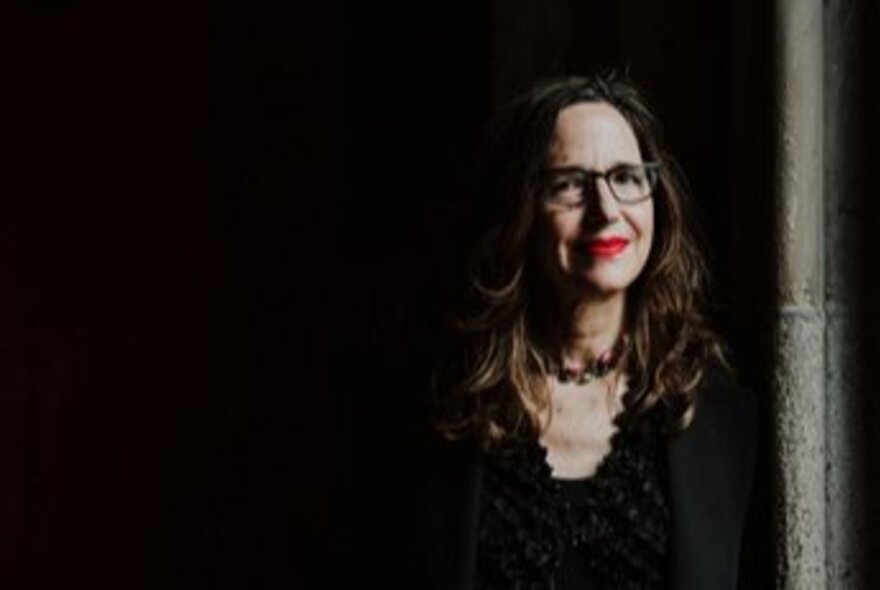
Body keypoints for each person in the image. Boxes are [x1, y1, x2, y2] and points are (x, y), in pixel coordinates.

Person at [410, 73, 757, 590]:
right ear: (520, 212)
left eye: (627, 177)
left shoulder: (719, 411)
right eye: (569, 183)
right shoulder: (443, 412)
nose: (606, 211)